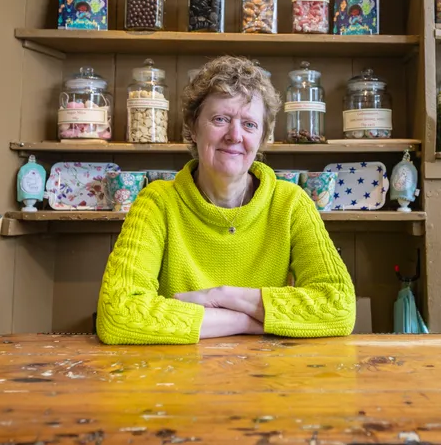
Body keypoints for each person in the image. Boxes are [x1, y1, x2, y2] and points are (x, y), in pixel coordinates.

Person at [96, 56, 355, 344]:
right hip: (175, 377)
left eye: (249, 124)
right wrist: (244, 320)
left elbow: (339, 307)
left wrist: (220, 297)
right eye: (220, 119)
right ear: (193, 129)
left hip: (270, 377)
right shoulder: (156, 202)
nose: (235, 135)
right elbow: (117, 313)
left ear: (263, 137)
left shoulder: (291, 203)